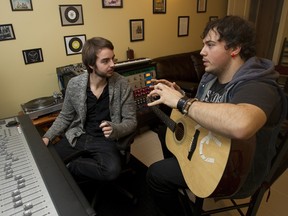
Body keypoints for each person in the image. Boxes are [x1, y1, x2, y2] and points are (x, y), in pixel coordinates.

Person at [146, 15, 286, 216]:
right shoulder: (210, 76)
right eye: (203, 45)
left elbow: (241, 124)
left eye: (210, 45)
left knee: (155, 175)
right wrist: (181, 94)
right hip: (208, 146)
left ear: (235, 48)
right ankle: (186, 169)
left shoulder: (259, 85)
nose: (202, 52)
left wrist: (182, 102)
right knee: (164, 132)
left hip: (236, 174)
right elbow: (209, 106)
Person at [42, 37, 137, 183]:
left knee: (111, 172)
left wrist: (116, 129)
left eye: (113, 59)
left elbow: (131, 121)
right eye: (105, 61)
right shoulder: (74, 85)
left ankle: (70, 166)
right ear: (91, 64)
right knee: (48, 162)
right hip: (79, 135)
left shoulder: (122, 84)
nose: (112, 64)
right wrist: (48, 136)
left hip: (105, 140)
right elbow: (65, 116)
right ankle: (68, 165)